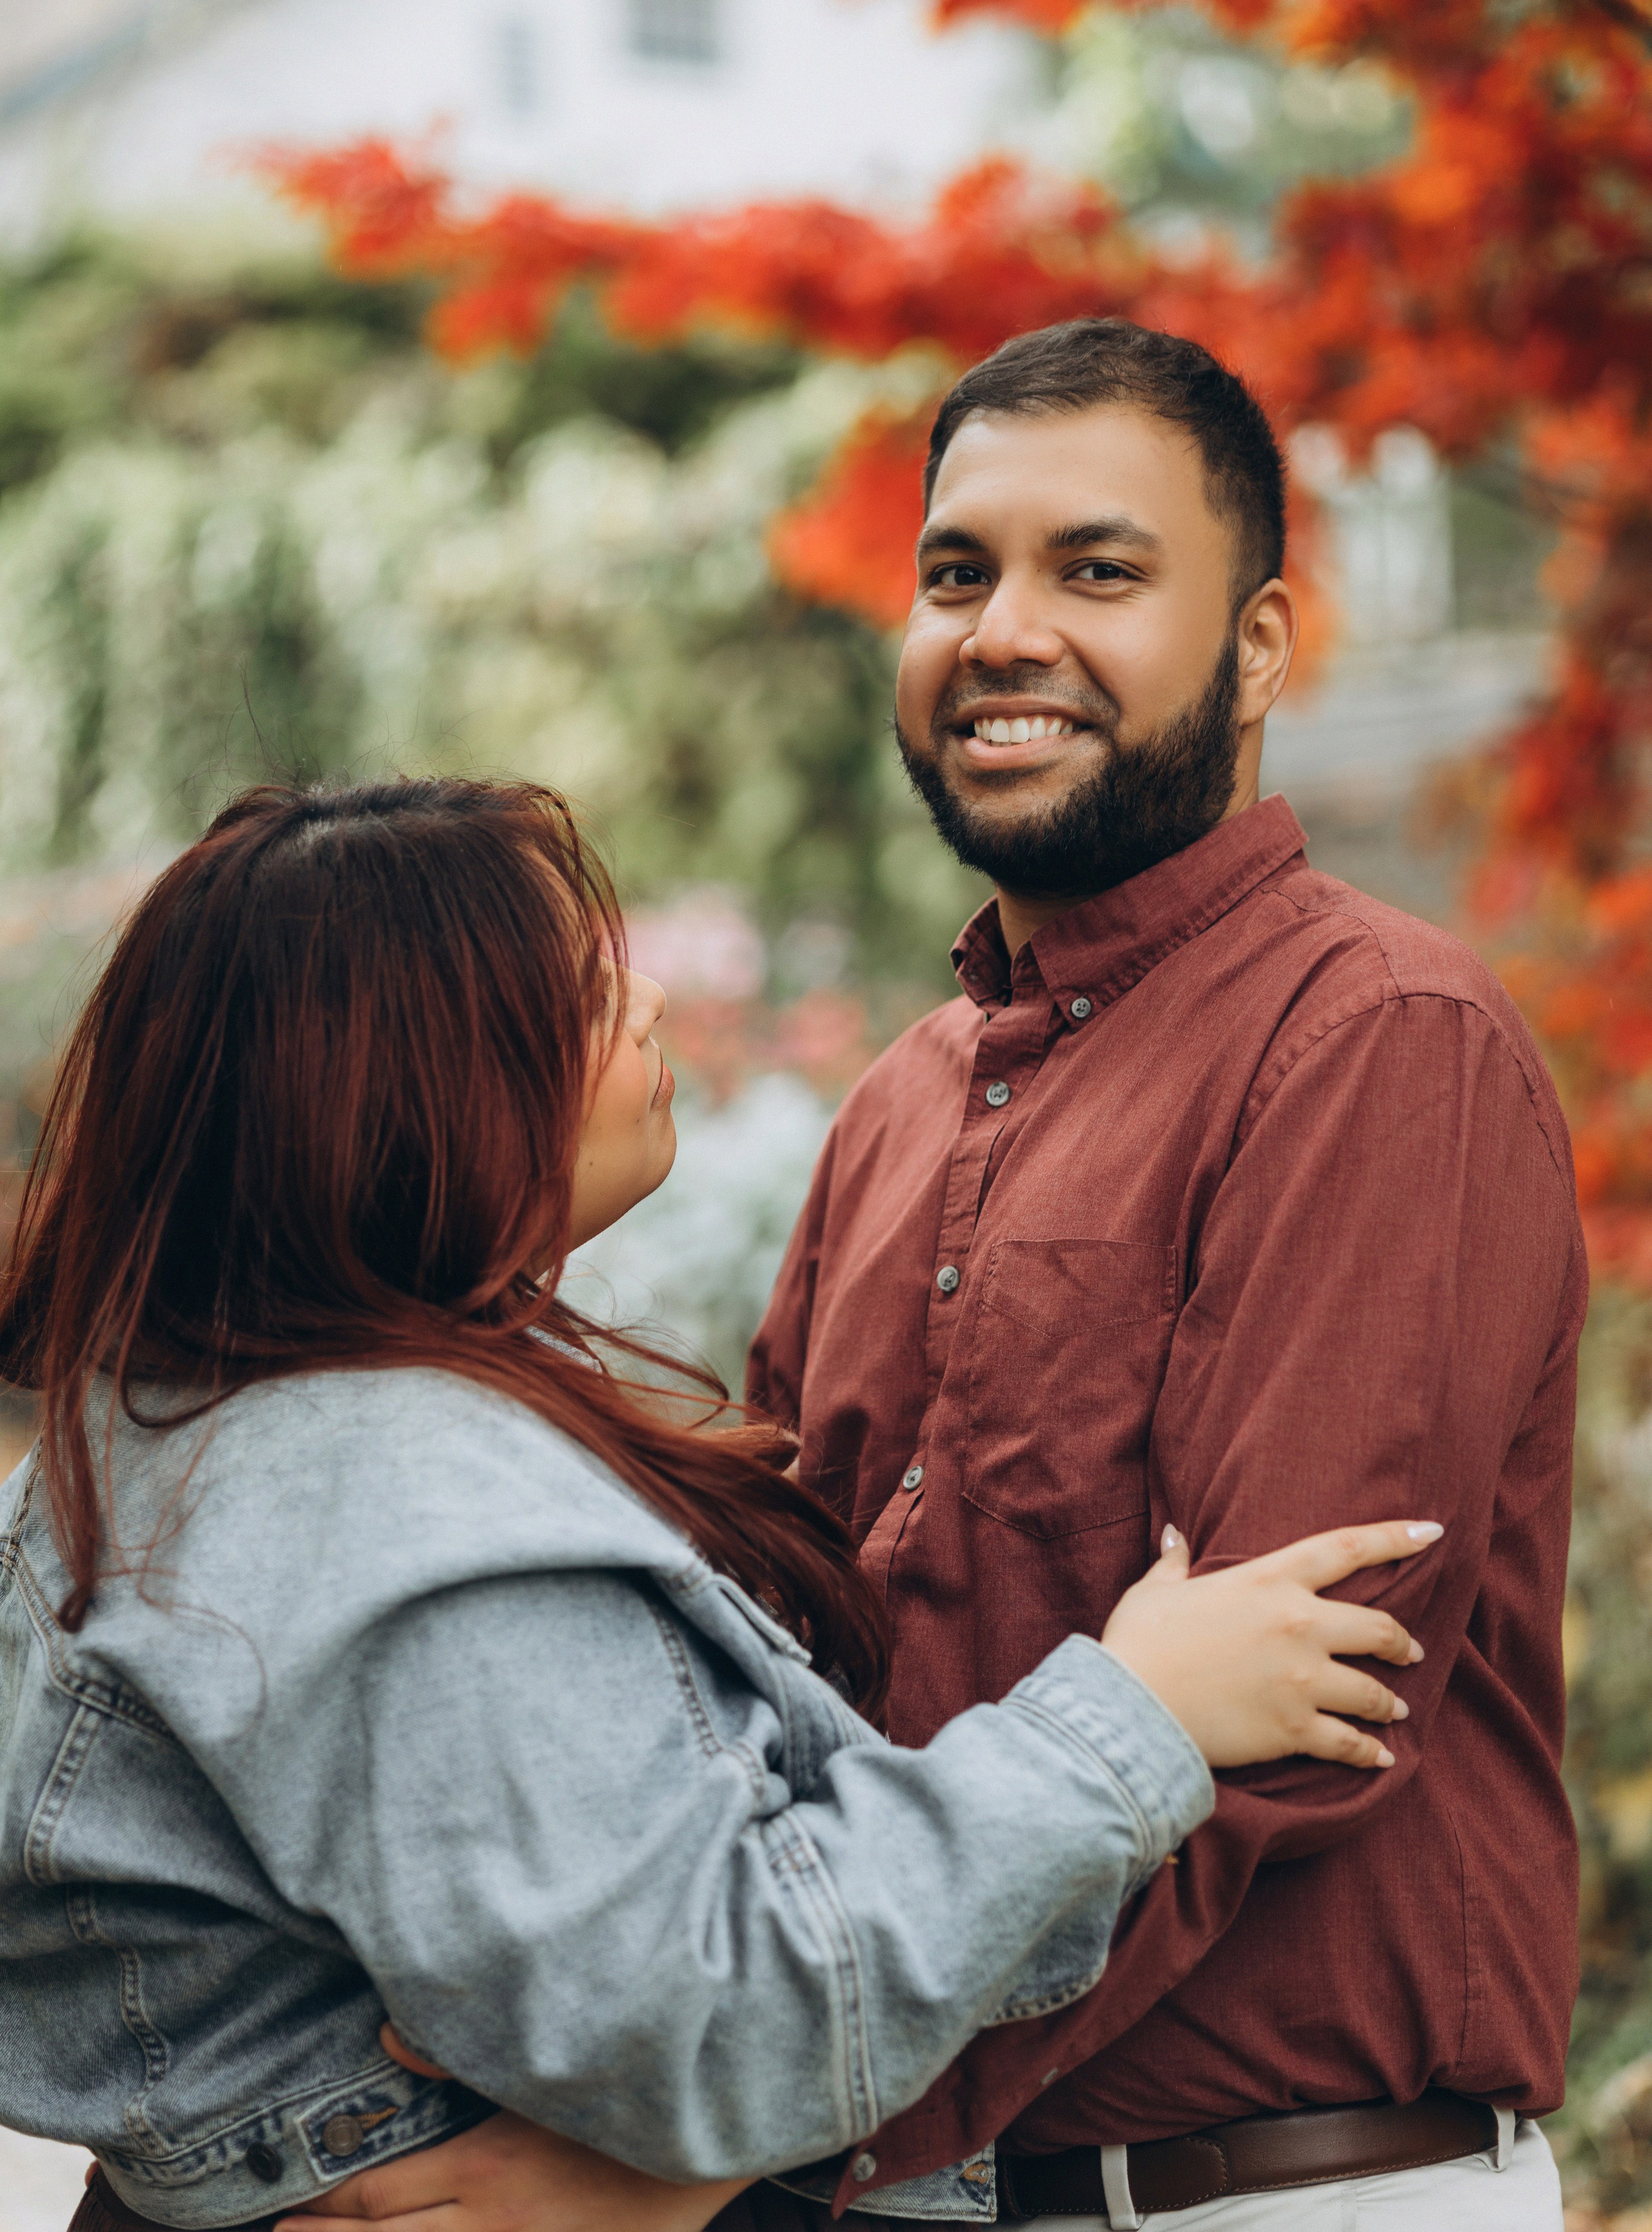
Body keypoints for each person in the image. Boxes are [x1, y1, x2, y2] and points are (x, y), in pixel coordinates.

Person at [0, 776, 1435, 2232]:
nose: (652, 998)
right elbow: (723, 2016)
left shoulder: (144, 1445)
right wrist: (1137, 1718)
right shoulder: (401, 1512)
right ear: (411, 1087)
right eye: (580, 981)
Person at [740, 320, 1586, 2229]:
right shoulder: (895, 1107)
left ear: (1264, 648)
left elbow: (1289, 1733)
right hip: (913, 2181)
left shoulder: (1379, 1037)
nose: (1003, 631)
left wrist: (792, 2110)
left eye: (1097, 571)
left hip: (1271, 2195)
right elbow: (774, 1666)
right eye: (958, 573)